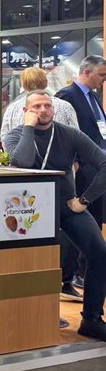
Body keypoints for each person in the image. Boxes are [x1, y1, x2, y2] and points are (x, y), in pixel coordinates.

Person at [4, 90, 106, 342]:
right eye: (36, 106)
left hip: (66, 206)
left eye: (47, 105)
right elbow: (22, 161)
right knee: (35, 263)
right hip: (29, 210)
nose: (43, 110)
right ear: (26, 111)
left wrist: (84, 200)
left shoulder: (69, 134)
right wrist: (29, 127)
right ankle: (35, 315)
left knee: (100, 253)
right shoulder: (16, 135)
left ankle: (91, 319)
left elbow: (103, 163)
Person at [55, 56, 106, 296]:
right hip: (81, 169)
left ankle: (88, 273)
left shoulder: (93, 98)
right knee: (79, 221)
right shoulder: (67, 97)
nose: (103, 80)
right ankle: (71, 273)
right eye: (101, 75)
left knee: (94, 221)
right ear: (86, 72)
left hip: (98, 168)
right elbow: (65, 133)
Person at [0, 67, 78, 143]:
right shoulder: (65, 106)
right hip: (60, 150)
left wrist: (13, 150)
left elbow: (4, 135)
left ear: (23, 84)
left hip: (21, 150)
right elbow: (75, 134)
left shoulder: (12, 108)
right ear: (46, 82)